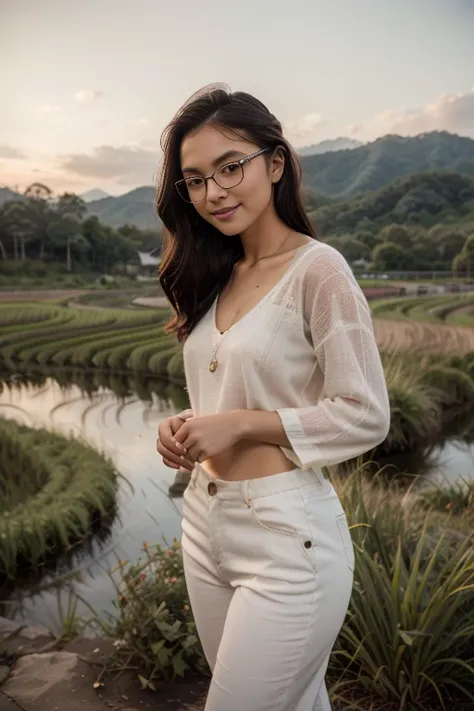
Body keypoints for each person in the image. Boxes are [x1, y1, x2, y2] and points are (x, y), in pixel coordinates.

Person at [155, 84, 390, 711]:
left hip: (286, 536)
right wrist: (189, 424)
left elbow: (366, 412)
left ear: (275, 163)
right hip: (204, 523)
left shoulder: (320, 270)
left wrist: (237, 425)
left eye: (231, 166)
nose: (214, 192)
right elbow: (227, 393)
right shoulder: (214, 272)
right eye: (196, 179)